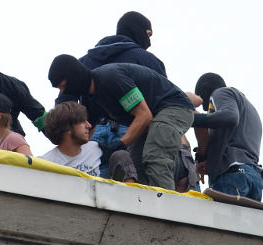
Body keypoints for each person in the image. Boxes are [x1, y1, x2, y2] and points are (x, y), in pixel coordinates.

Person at [48, 54, 194, 190]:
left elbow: (144, 115)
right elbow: (88, 131)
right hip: (150, 121)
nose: (63, 91)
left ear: (74, 75)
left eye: (62, 85)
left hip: (174, 108)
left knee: (155, 156)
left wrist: (120, 144)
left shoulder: (110, 78)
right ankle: (144, 209)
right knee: (136, 163)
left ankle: (166, 210)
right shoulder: (89, 98)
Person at [56, 11, 166, 178]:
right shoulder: (149, 61)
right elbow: (163, 106)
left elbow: (63, 105)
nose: (149, 41)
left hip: (91, 134)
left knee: (91, 195)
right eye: (148, 34)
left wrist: (78, 132)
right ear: (139, 31)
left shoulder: (83, 62)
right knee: (136, 194)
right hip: (135, 131)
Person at [192, 73, 263, 201]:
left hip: (233, 175)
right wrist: (210, 162)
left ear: (203, 91)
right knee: (238, 221)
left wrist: (193, 119)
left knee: (220, 220)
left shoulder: (222, 92)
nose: (208, 108)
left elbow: (230, 117)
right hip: (253, 176)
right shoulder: (246, 107)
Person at [41, 102, 137, 182]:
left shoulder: (95, 148)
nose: (89, 125)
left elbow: (122, 157)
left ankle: (132, 196)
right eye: (82, 122)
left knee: (121, 155)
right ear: (67, 128)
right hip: (66, 202)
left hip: (99, 200)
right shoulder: (46, 162)